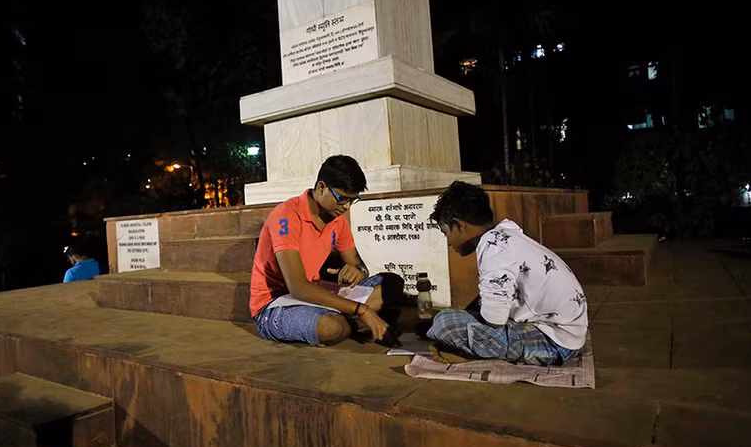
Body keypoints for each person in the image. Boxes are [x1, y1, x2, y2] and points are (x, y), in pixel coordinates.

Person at [426, 181, 588, 365]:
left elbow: (494, 319)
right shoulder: (505, 236)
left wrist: (453, 336)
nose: (448, 242)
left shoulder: (494, 249)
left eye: (446, 232)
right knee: (454, 318)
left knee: (444, 324)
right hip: (566, 333)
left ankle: (468, 354)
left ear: (459, 225)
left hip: (555, 342)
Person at [250, 155, 398, 346]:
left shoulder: (337, 221)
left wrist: (358, 272)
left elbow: (358, 265)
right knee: (330, 327)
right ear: (321, 188)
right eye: (342, 198)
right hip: (274, 306)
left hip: (316, 293)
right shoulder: (286, 216)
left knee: (391, 284)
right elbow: (298, 288)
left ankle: (349, 320)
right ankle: (353, 321)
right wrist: (362, 310)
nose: (346, 207)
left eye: (352, 200)